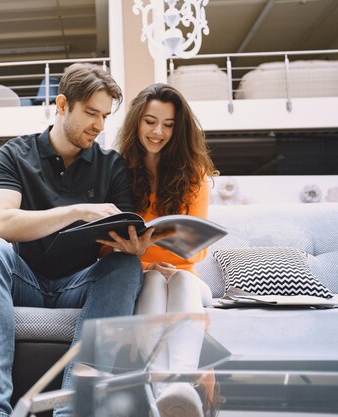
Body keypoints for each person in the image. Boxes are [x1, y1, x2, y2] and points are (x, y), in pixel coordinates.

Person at [0, 63, 160, 417]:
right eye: (90, 113)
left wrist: (131, 245)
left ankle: (72, 410)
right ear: (62, 104)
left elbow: (122, 230)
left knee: (126, 266)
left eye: (104, 116)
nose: (99, 126)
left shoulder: (111, 166)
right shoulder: (15, 154)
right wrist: (78, 211)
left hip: (79, 284)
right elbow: (0, 222)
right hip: (24, 281)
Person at [116, 83, 219, 417]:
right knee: (152, 282)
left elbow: (196, 253)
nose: (158, 131)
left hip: (186, 275)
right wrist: (145, 263)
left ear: (179, 129)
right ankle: (165, 389)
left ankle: (178, 384)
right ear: (136, 122)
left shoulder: (195, 175)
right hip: (139, 273)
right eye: (150, 121)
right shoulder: (119, 171)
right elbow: (109, 241)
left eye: (169, 125)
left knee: (183, 281)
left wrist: (161, 258)